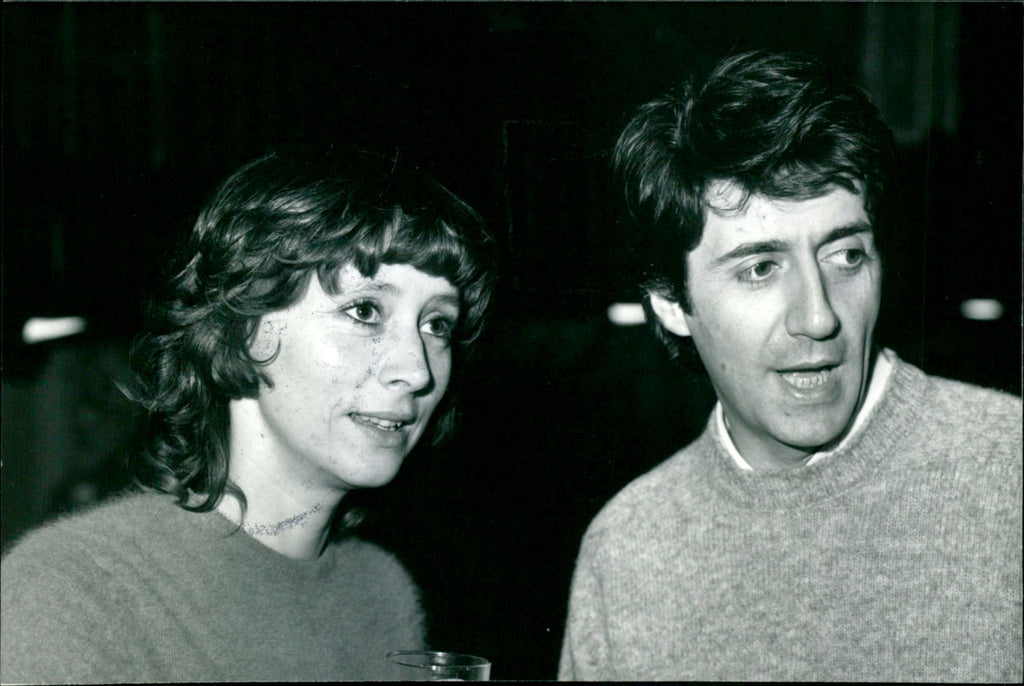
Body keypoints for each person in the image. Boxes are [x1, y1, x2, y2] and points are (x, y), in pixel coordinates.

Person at [559, 51, 1022, 682]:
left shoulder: (1007, 472)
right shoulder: (627, 551)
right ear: (670, 301)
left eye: (846, 255)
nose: (818, 316)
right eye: (760, 268)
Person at [1, 148, 494, 683]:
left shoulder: (382, 592)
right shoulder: (76, 589)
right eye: (365, 310)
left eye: (437, 325)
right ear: (241, 327)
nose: (417, 371)